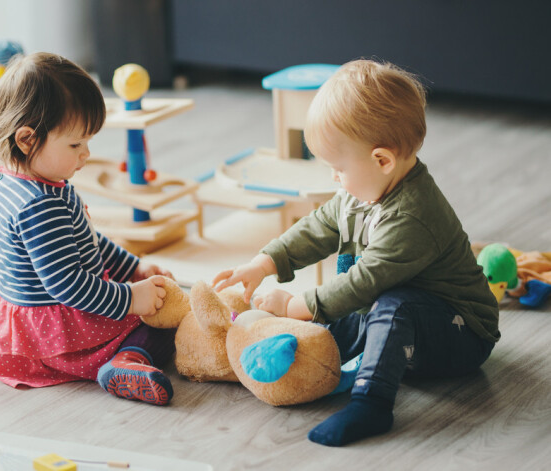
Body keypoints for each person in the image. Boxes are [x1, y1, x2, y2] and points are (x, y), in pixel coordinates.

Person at [213, 59, 500, 446]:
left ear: (382, 160)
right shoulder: (359, 191)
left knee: (389, 304)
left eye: (338, 167)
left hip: (462, 334)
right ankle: (285, 361)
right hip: (398, 315)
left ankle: (371, 403)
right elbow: (318, 228)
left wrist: (294, 305)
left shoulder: (414, 215)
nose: (334, 178)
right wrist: (263, 263)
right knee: (339, 324)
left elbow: (364, 284)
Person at [0, 52, 176, 406]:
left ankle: (121, 356)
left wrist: (132, 267)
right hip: (58, 331)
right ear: (26, 140)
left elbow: (86, 239)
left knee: (154, 304)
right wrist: (131, 298)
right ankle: (124, 361)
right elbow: (68, 285)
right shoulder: (39, 203)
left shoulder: (23, 179)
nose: (85, 154)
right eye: (75, 144)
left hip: (33, 323)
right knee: (162, 323)